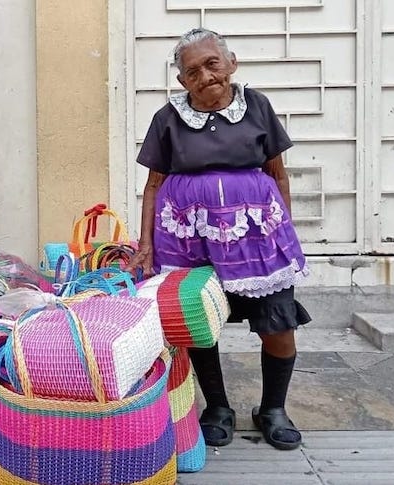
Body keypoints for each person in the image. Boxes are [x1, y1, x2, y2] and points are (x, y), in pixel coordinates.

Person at [127, 28, 311, 451]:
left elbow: (278, 175)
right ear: (182, 81)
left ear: (232, 63)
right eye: (192, 72)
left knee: (278, 323)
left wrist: (284, 233)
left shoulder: (257, 106)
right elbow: (154, 185)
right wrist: (146, 246)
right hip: (188, 241)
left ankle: (273, 409)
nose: (205, 76)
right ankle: (217, 408)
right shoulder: (168, 119)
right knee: (197, 323)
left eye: (212, 64)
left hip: (256, 239)